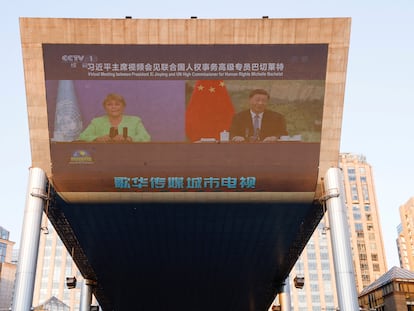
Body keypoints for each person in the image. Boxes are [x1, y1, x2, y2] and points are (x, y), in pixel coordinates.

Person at [77, 93, 151, 142]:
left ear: (123, 106)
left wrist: (129, 138)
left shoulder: (135, 121)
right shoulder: (96, 122)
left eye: (117, 104)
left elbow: (146, 137)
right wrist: (97, 138)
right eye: (109, 104)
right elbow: (82, 136)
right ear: (105, 107)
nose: (113, 107)